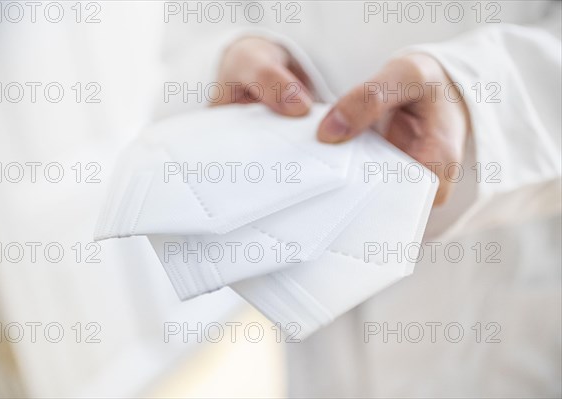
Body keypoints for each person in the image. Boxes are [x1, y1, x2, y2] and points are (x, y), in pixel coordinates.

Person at [159, 1, 561, 397]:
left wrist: (475, 95)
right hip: (317, 316)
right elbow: (186, 46)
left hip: (503, 289)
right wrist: (227, 62)